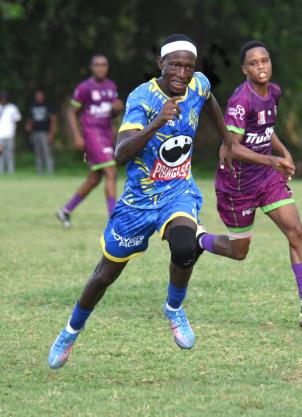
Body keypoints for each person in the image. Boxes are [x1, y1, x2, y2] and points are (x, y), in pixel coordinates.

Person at [48, 34, 233, 369]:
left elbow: (209, 100)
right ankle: (71, 331)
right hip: (138, 203)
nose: (181, 73)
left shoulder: (199, 84)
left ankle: (174, 308)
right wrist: (157, 121)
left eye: (188, 67)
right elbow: (120, 153)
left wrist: (227, 141)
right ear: (160, 63)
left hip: (177, 191)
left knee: (184, 246)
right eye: (174, 65)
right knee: (104, 275)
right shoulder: (142, 99)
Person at [198, 41, 302, 330]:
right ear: (244, 69)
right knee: (239, 251)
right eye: (254, 63)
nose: (261, 66)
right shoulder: (239, 101)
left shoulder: (274, 92)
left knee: (296, 230)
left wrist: (283, 152)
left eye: (265, 60)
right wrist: (272, 161)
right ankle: (200, 240)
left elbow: (266, 130)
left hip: (266, 180)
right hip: (236, 186)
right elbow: (231, 147)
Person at [56, 54, 124, 227]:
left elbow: (113, 112)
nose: (101, 68)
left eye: (104, 65)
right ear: (91, 67)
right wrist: (77, 136)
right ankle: (113, 219)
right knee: (111, 170)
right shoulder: (84, 87)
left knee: (94, 178)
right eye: (97, 65)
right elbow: (71, 112)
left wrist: (117, 108)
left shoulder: (111, 86)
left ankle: (65, 211)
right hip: (92, 133)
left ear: (107, 67)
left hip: (106, 133)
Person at [25, 90, 57, 174]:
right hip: (35, 133)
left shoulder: (48, 106)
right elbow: (30, 120)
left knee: (47, 153)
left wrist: (51, 134)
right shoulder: (32, 106)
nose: (39, 97)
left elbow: (53, 120)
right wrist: (29, 127)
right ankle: (39, 173)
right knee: (38, 153)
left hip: (45, 133)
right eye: (37, 96)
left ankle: (50, 172)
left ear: (43, 96)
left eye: (40, 96)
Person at [0, 90, 22, 174]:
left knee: (10, 155)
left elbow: (17, 119)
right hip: (0, 135)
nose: (3, 99)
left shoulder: (12, 107)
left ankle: (10, 172)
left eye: (4, 98)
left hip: (9, 135)